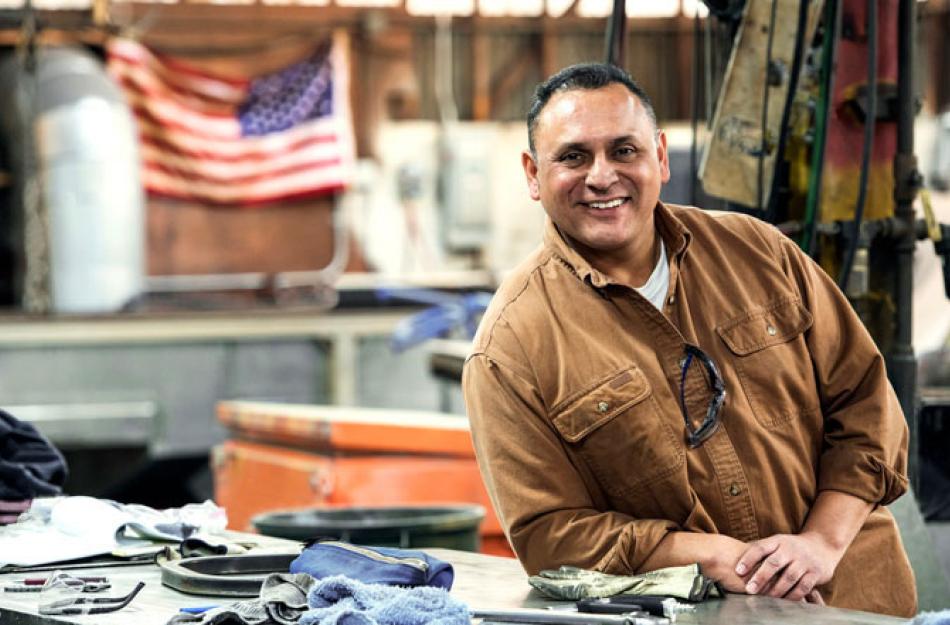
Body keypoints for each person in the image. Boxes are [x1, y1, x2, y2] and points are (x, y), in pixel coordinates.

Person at [462, 62, 916, 617]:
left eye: (624, 150)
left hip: (858, 602)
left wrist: (820, 543)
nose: (602, 176)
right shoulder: (510, 348)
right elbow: (552, 536)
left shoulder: (762, 254)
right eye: (573, 156)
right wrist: (712, 558)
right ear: (533, 174)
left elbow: (866, 403)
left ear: (660, 155)